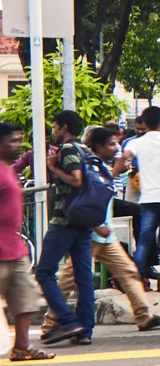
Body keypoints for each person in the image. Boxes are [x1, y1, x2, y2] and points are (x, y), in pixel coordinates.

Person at [52, 128, 160, 334]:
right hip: (93, 234)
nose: (116, 148)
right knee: (68, 281)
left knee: (129, 272)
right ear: (98, 146)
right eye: (112, 144)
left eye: (117, 144)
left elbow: (117, 173)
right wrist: (97, 225)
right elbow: (85, 202)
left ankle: (144, 316)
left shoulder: (100, 167)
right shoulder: (90, 168)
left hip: (106, 236)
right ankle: (50, 324)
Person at [34, 110, 95, 346]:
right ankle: (85, 329)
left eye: (55, 126)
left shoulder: (68, 149)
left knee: (44, 272)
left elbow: (77, 179)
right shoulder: (85, 149)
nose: (53, 131)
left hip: (65, 221)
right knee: (84, 277)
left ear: (65, 127)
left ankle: (69, 321)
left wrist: (54, 168)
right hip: (84, 221)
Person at [0, 125, 49, 361]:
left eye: (20, 140)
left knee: (24, 298)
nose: (18, 145)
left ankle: (22, 347)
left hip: (14, 249)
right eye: (13, 141)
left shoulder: (8, 170)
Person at [125, 105, 160, 287]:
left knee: (144, 240)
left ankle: (136, 279)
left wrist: (113, 173)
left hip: (148, 199)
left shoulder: (135, 143)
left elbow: (125, 158)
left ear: (144, 123)